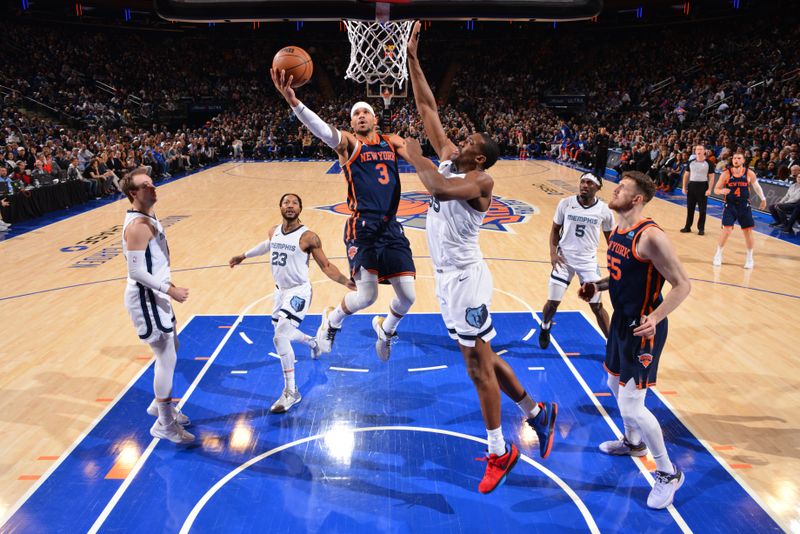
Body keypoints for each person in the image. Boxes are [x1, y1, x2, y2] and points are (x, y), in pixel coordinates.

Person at [406, 21, 557, 495]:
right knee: (484, 355)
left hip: (467, 279)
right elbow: (428, 107)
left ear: (480, 159)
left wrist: (413, 155)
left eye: (469, 142)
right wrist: (412, 57)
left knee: (476, 366)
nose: (459, 140)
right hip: (448, 279)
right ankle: (535, 411)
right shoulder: (452, 156)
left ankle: (499, 450)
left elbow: (436, 187)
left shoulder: (480, 184)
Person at [270, 66, 417, 362]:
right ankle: (332, 321)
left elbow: (421, 160)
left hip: (391, 228)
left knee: (408, 297)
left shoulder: (394, 141)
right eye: (355, 114)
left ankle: (385, 330)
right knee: (367, 296)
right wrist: (294, 102)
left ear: (375, 118)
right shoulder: (349, 143)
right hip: (362, 228)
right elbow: (323, 130)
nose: (360, 116)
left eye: (365, 112)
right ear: (351, 123)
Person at [578, 171, 691, 509]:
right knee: (613, 385)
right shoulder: (618, 230)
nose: (615, 189)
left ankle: (669, 474)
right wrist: (596, 286)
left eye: (622, 187)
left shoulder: (651, 236)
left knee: (631, 404)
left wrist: (655, 318)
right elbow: (620, 276)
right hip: (621, 325)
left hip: (645, 328)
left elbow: (683, 285)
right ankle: (633, 442)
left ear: (637, 198)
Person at [229, 193, 355, 413]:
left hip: (299, 292)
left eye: (294, 203)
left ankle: (291, 392)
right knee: (281, 332)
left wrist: (345, 281)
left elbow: (325, 265)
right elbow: (267, 245)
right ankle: (313, 342)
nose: (290, 206)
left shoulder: (308, 237)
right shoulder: (274, 231)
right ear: (280, 207)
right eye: (286, 202)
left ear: (300, 209)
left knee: (280, 336)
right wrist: (243, 255)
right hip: (280, 292)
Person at [121, 168, 194, 444]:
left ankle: (158, 405)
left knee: (172, 348)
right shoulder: (138, 226)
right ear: (133, 194)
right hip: (147, 296)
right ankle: (163, 423)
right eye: (145, 185)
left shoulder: (148, 217)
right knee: (167, 357)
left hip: (156, 295)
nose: (153, 188)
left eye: (152, 184)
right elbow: (136, 272)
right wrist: (170, 289)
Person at [539, 172, 614, 349]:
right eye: (582, 182)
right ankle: (545, 326)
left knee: (596, 306)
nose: (585, 185)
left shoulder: (604, 210)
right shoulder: (565, 203)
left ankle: (611, 345)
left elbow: (611, 240)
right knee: (552, 304)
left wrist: (614, 262)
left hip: (588, 262)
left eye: (589, 183)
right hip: (564, 259)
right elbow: (555, 230)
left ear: (598, 187)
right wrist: (552, 253)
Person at [713, 153, 767, 268]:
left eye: (738, 158)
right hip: (730, 206)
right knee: (726, 231)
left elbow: (756, 186)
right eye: (734, 158)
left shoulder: (749, 173)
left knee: (747, 232)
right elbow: (716, 189)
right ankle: (718, 254)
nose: (736, 160)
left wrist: (763, 198)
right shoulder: (726, 173)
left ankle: (749, 258)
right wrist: (722, 191)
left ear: (743, 160)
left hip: (744, 206)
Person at [680, 145, 715, 235]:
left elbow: (712, 177)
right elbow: (686, 175)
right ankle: (687, 227)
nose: (698, 150)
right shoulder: (691, 162)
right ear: (695, 152)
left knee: (702, 209)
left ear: (704, 151)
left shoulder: (709, 163)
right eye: (697, 149)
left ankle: (701, 229)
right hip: (692, 186)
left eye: (700, 149)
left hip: (703, 186)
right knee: (690, 208)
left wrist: (709, 189)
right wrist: (684, 187)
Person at [768, 165, 800, 234]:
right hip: (789, 204)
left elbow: (796, 199)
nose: (799, 178)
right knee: (772, 206)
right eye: (798, 177)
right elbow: (786, 196)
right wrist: (780, 202)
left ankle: (786, 225)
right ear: (796, 178)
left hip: (794, 204)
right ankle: (779, 222)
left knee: (779, 207)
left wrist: (783, 204)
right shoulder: (793, 186)